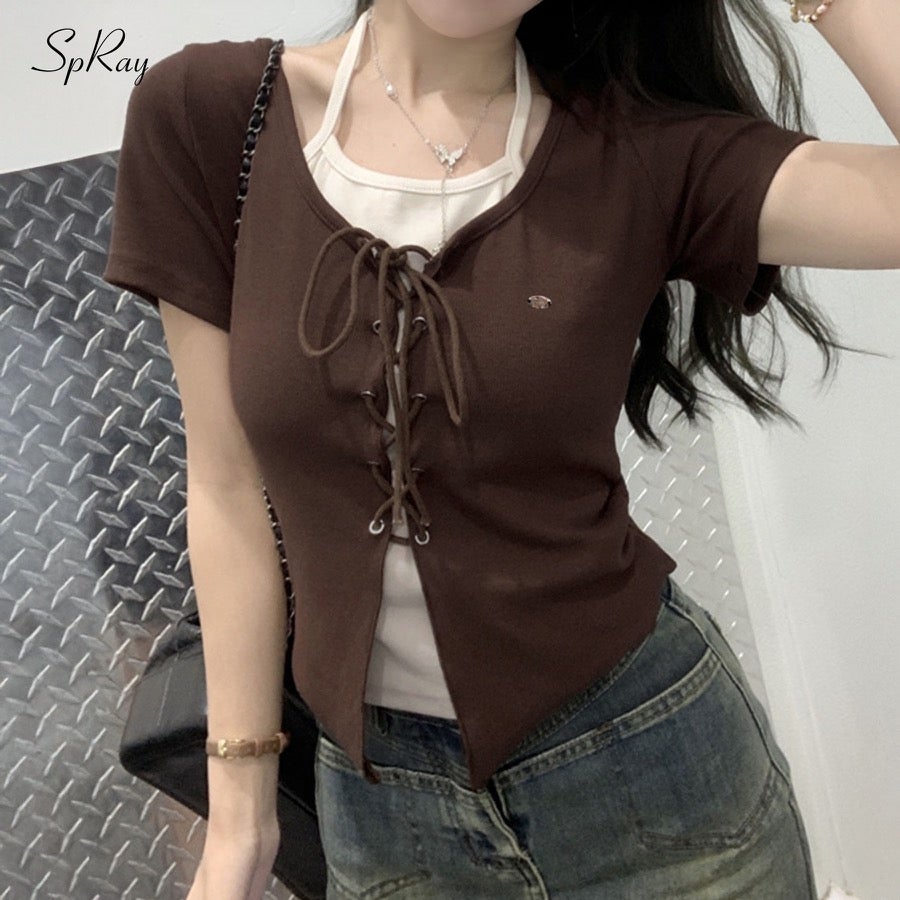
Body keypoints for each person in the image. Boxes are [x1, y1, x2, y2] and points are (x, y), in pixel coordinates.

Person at [100, 0, 898, 897]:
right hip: (385, 816)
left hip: (660, 783)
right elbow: (226, 484)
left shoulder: (639, 153)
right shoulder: (213, 116)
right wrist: (238, 823)